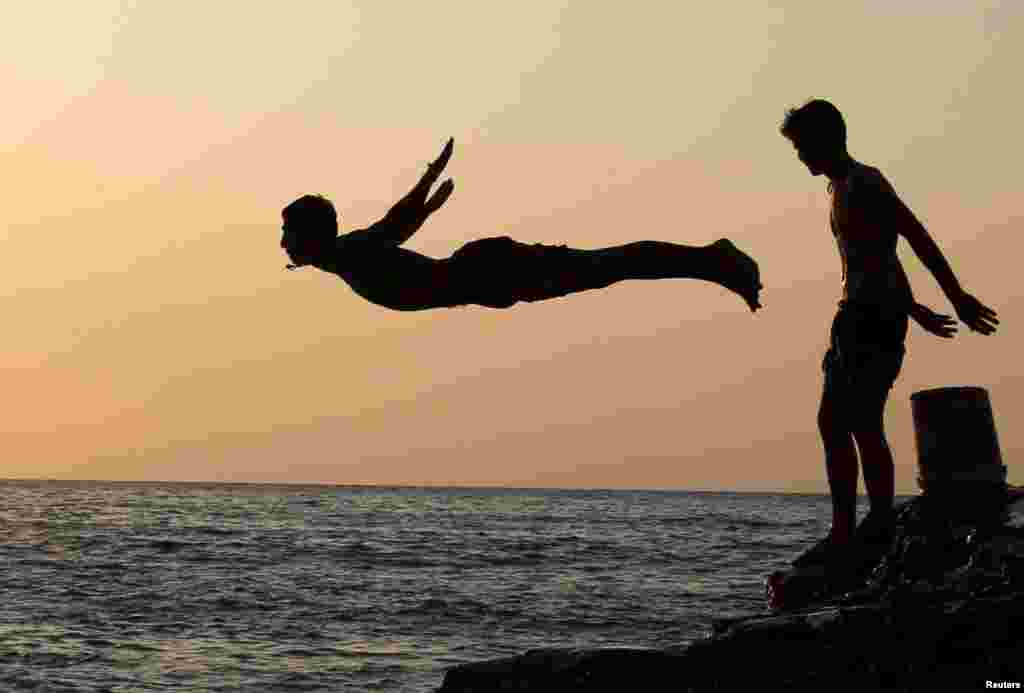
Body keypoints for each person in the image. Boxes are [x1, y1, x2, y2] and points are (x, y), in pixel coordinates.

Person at [779, 99, 999, 574]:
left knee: (853, 420)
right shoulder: (839, 186)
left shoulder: (864, 183)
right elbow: (880, 261)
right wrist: (914, 308)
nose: (799, 157)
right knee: (839, 421)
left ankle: (867, 526)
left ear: (826, 139)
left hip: (870, 319)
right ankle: (853, 527)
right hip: (862, 312)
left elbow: (915, 237)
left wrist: (957, 296)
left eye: (802, 147)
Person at [280, 137, 762, 313]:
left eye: (289, 233)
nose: (283, 243)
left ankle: (714, 259)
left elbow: (394, 224)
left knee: (610, 265)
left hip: (493, 270)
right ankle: (712, 263)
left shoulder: (347, 253)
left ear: (312, 235)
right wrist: (428, 207)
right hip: (490, 277)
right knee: (609, 267)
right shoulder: (344, 257)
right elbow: (398, 231)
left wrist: (428, 178)